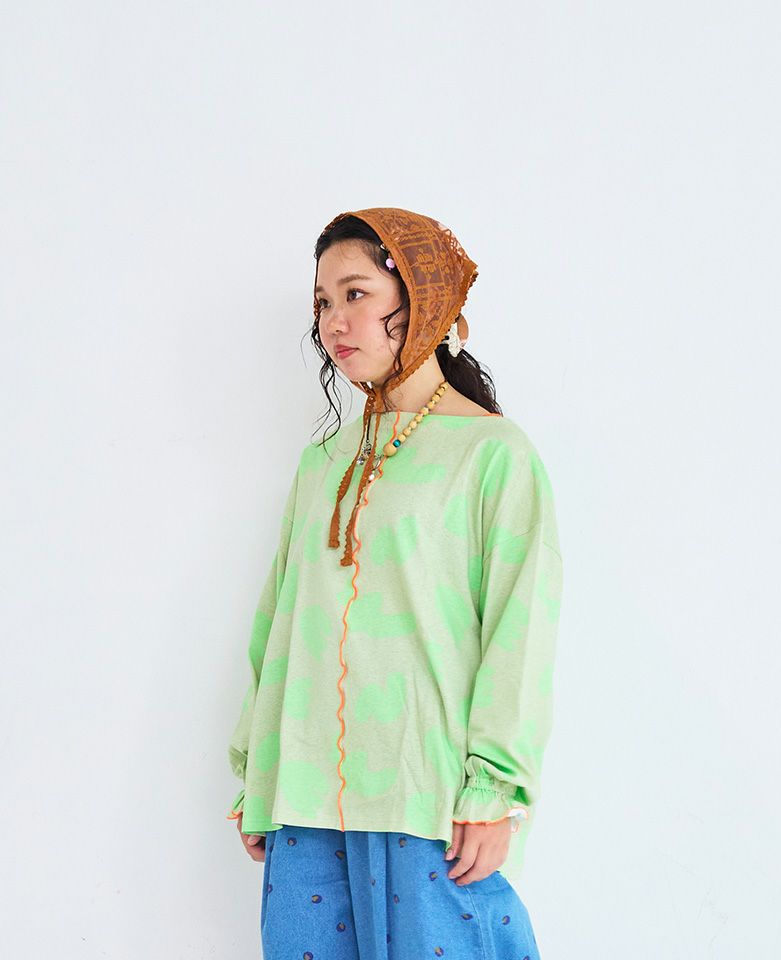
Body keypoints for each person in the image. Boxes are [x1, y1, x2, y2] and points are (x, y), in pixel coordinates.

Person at [226, 206, 564, 959]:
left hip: (427, 794)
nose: (334, 321)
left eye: (356, 294)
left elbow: (520, 631)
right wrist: (260, 769)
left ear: (422, 298)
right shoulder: (322, 462)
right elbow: (278, 623)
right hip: (306, 796)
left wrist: (495, 790)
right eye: (323, 302)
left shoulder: (493, 455)